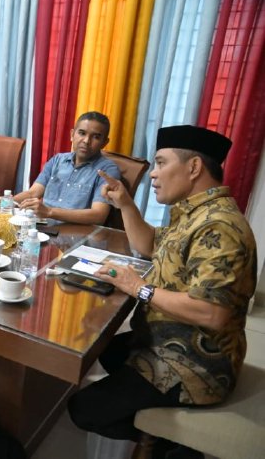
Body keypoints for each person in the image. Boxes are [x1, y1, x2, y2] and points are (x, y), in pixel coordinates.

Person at [67, 125, 257, 458]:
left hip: (197, 364)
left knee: (83, 409)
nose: (153, 174)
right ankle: (161, 427)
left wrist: (139, 288)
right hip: (166, 338)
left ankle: (172, 442)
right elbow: (151, 245)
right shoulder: (195, 211)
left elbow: (212, 312)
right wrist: (126, 204)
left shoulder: (219, 226)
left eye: (160, 163)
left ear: (194, 167)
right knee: (103, 348)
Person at [12, 111, 120, 224]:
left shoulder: (107, 170)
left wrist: (49, 212)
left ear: (104, 143)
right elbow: (33, 193)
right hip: (40, 226)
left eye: (96, 137)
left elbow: (98, 216)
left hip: (73, 231)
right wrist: (7, 202)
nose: (86, 141)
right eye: (82, 133)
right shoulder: (57, 160)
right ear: (72, 135)